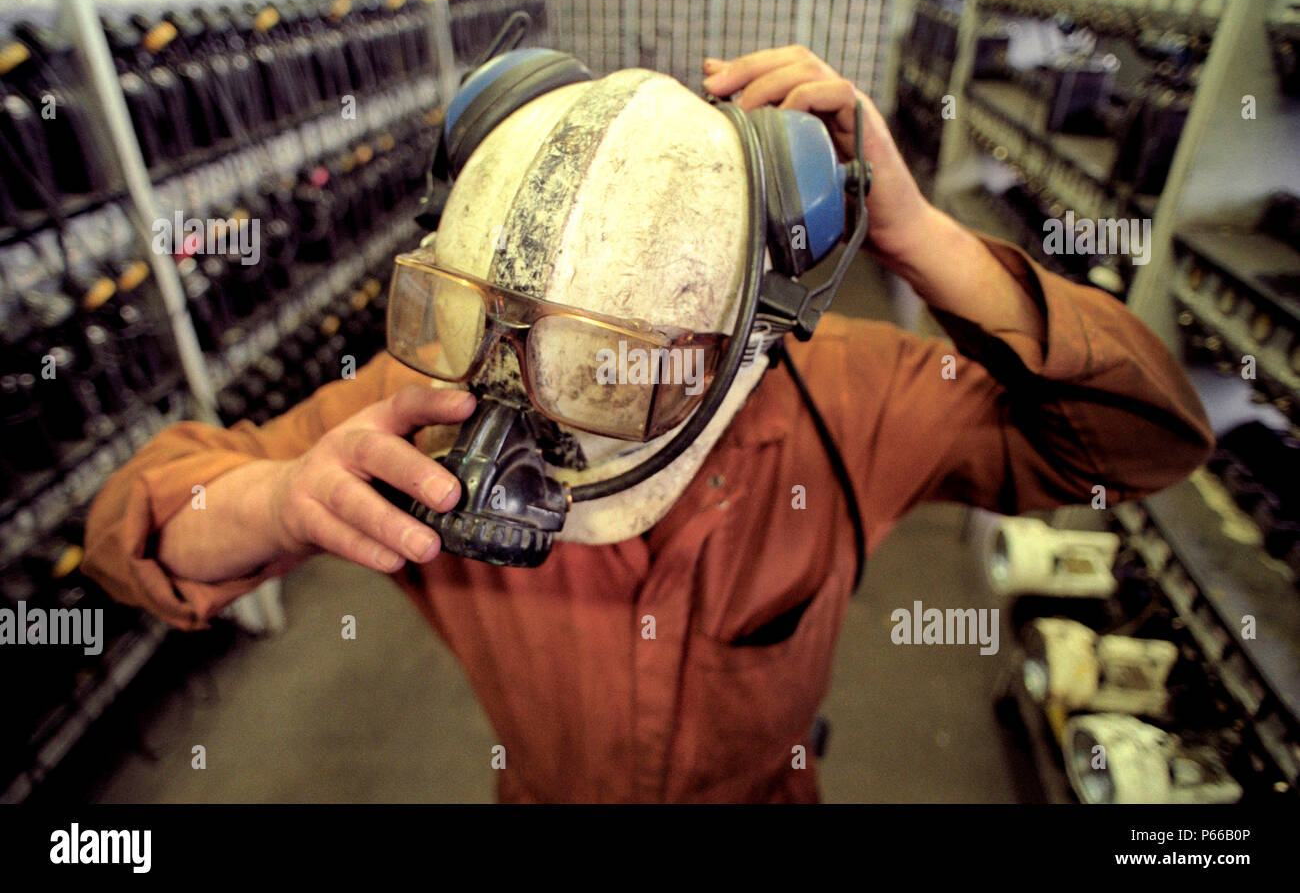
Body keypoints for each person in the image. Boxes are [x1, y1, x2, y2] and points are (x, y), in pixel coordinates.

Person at [83, 46, 1213, 802]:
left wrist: (922, 236)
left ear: (752, 332)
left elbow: (1143, 438)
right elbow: (137, 527)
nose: (515, 415)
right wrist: (274, 500)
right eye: (499, 338)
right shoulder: (426, 404)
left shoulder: (851, 396)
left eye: (613, 373)